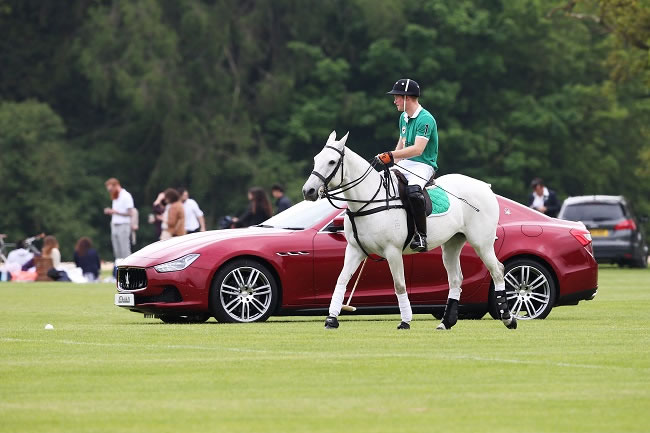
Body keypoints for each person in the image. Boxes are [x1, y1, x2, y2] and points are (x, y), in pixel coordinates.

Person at [376, 78, 438, 252]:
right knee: (382, 182)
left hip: (423, 164)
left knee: (413, 191)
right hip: (405, 164)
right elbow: (402, 144)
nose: (394, 101)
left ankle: (421, 236)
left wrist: (391, 155)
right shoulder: (403, 117)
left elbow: (418, 149)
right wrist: (391, 163)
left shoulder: (426, 119)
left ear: (407, 98)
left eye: (397, 97)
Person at [104, 178, 135, 261]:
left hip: (123, 225)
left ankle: (128, 269)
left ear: (116, 186)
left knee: (124, 249)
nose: (110, 192)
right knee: (117, 251)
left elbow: (130, 213)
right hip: (115, 224)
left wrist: (115, 212)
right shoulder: (115, 197)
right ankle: (118, 269)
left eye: (111, 189)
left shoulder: (126, 196)